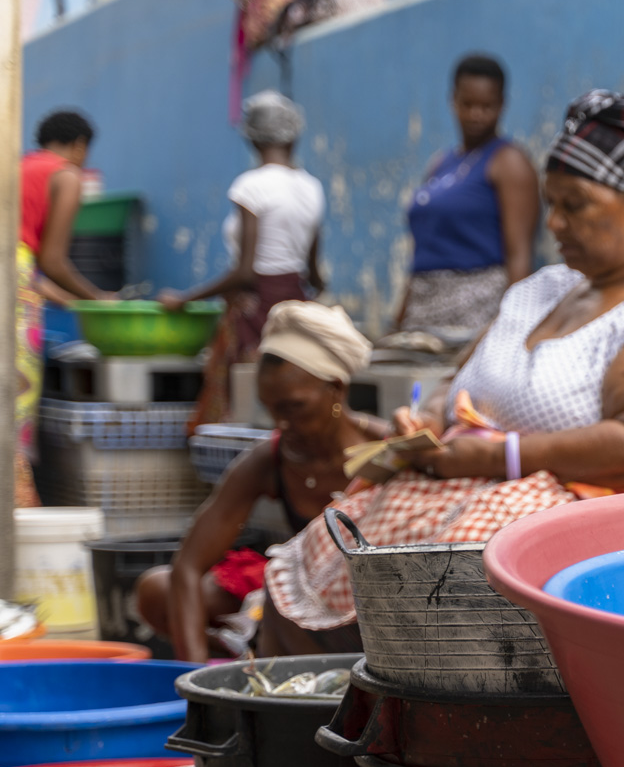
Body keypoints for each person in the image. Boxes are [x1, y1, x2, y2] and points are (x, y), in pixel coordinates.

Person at [261, 89, 624, 652]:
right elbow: (462, 381)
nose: (555, 222)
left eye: (575, 205)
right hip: (453, 493)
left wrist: (500, 456)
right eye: (550, 203)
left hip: (579, 538)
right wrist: (428, 418)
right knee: (309, 570)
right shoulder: (540, 292)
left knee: (430, 592)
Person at [134, 302, 381, 662]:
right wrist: (196, 677)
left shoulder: (386, 452)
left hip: (364, 603)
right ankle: (242, 655)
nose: (281, 423)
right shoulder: (270, 459)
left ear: (336, 389)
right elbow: (188, 566)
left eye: (295, 407)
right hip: (294, 592)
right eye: (272, 409)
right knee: (156, 588)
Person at [159, 90, 326, 427]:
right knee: (286, 399)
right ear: (294, 137)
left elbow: (246, 272)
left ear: (252, 139)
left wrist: (185, 299)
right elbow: (314, 271)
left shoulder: (250, 186)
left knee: (245, 404)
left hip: (256, 308)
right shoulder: (312, 187)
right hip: (294, 303)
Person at [392, 53, 539, 341]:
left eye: (487, 106)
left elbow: (519, 256)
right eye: (468, 104)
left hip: (473, 314)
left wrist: (512, 333)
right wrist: (398, 320)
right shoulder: (440, 163)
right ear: (453, 100)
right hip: (422, 311)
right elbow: (421, 251)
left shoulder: (509, 162)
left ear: (502, 104)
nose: (476, 115)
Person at [16, 109, 112, 506]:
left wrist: (71, 300)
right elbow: (53, 261)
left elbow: (27, 266)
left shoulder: (20, 168)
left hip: (17, 276)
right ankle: (16, 499)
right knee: (16, 396)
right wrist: (101, 300)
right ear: (79, 146)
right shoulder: (66, 174)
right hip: (15, 283)